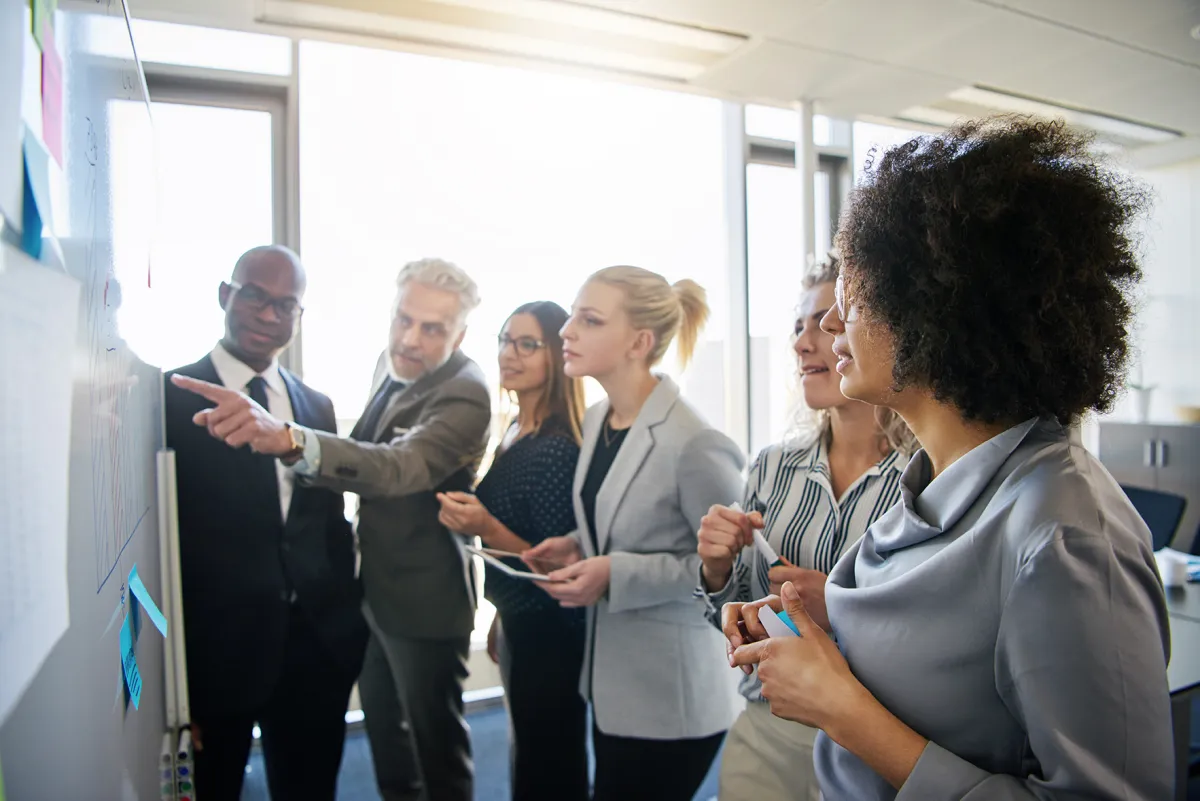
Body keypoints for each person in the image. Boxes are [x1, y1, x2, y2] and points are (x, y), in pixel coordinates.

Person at [724, 116, 1173, 799]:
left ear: (937, 305)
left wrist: (843, 709)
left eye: (855, 293)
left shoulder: (1064, 536)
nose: (833, 322)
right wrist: (827, 621)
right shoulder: (932, 485)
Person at [172, 257, 492, 801]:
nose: (409, 339)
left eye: (432, 329)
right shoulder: (390, 364)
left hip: (420, 601)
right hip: (360, 601)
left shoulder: (463, 392)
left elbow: (397, 467)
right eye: (403, 319)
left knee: (435, 755)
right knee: (391, 751)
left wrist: (290, 440)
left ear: (459, 335)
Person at [695, 255, 914, 801]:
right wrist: (716, 571)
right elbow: (734, 614)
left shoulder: (928, 477)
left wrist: (838, 607)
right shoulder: (771, 465)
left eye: (825, 322)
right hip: (769, 731)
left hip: (879, 742)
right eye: (798, 326)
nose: (802, 342)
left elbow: (939, 631)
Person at [523, 266, 745, 801]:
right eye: (573, 316)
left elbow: (733, 571)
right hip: (614, 684)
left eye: (589, 320)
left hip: (673, 698)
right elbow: (627, 522)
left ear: (639, 343)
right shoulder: (599, 418)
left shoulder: (694, 441)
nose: (566, 331)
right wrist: (579, 544)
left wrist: (614, 572)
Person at [165, 245, 367, 800]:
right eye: (255, 296)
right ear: (225, 296)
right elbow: (162, 549)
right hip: (215, 658)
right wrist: (174, 679)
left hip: (315, 652)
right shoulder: (168, 398)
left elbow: (329, 524)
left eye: (286, 305)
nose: (268, 315)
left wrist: (346, 633)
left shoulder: (315, 406)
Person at [436, 301, 589, 801]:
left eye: (528, 344)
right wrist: (503, 614)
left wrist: (483, 525)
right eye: (505, 340)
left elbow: (553, 564)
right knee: (529, 753)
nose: (510, 353)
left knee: (549, 766)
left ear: (556, 357)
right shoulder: (516, 430)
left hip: (551, 633)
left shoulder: (555, 447)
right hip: (522, 619)